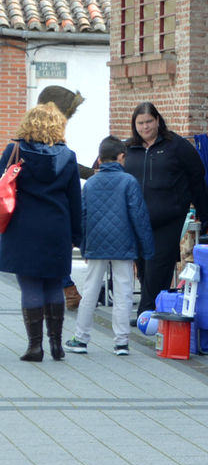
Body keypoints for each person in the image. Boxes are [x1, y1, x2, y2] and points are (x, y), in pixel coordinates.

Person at [122, 102, 208, 320]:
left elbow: (197, 176)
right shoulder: (129, 149)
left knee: (158, 266)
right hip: (137, 221)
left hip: (168, 219)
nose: (145, 127)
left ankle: (146, 315)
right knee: (143, 267)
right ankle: (154, 310)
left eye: (149, 121)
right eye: (140, 123)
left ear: (158, 120)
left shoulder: (176, 146)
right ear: (134, 125)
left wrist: (205, 212)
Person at [0, 103, 81, 361]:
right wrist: (76, 236)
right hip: (57, 228)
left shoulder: (14, 151)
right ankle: (56, 345)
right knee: (55, 283)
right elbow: (75, 200)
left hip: (23, 229)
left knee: (30, 285)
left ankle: (35, 347)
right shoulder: (68, 157)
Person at [65, 137, 154, 356]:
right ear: (121, 156)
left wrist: (84, 246)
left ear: (100, 158)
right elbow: (139, 217)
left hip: (96, 243)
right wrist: (147, 248)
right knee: (124, 291)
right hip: (124, 244)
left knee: (90, 290)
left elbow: (83, 217)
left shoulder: (91, 184)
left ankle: (81, 338)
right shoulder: (129, 182)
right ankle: (122, 342)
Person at [36, 85, 94, 310]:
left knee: (53, 254)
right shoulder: (43, 135)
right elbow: (63, 163)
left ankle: (66, 291)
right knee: (54, 253)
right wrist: (91, 174)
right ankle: (67, 290)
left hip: (50, 207)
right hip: (51, 206)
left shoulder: (43, 133)